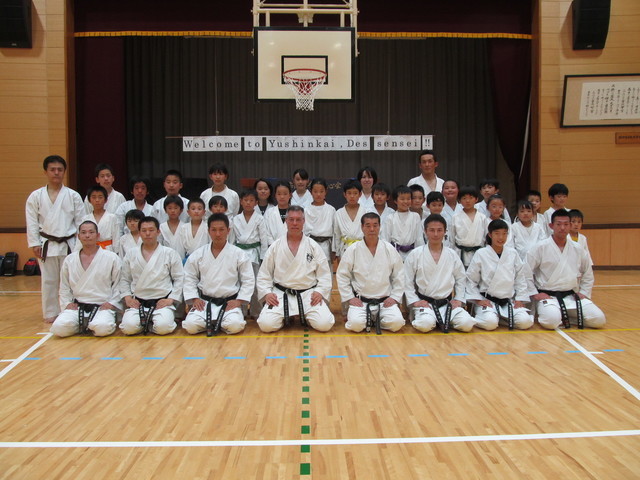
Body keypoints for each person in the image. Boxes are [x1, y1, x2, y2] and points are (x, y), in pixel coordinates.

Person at [25, 155, 85, 322]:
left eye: (60, 169)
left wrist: (80, 245)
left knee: (70, 279)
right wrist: (34, 243)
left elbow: (81, 222)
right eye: (52, 169)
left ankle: (70, 310)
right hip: (47, 244)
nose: (56, 173)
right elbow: (31, 222)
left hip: (69, 243)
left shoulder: (73, 195)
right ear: (45, 172)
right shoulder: (36, 196)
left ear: (64, 172)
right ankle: (50, 312)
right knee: (49, 280)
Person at [256, 206, 335, 333]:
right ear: (286, 221)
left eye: (298, 220)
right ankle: (287, 316)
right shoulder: (275, 246)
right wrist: (267, 293)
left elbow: (324, 274)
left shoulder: (313, 246)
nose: (294, 223)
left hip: (308, 294)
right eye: (291, 219)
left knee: (325, 324)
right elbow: (264, 274)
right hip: (281, 294)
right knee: (266, 325)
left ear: (304, 221)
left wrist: (320, 291)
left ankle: (303, 314)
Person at [527, 209, 606, 329]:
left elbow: (587, 273)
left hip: (571, 296)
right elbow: (525, 272)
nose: (562, 228)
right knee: (551, 322)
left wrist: (584, 292)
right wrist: (535, 293)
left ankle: (565, 316)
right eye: (558, 224)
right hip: (548, 297)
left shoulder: (578, 248)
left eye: (566, 224)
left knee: (599, 319)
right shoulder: (540, 247)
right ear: (551, 226)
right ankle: (557, 315)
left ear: (570, 225)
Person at [182, 214, 255, 335]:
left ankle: (216, 323)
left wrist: (239, 301)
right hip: (205, 303)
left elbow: (248, 279)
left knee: (235, 326)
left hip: (229, 303)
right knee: (190, 326)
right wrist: (195, 298)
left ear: (228, 230)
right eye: (214, 230)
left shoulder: (239, 254)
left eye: (221, 230)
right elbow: (189, 277)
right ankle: (216, 323)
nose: (218, 234)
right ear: (208, 231)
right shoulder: (198, 254)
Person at [404, 214, 475, 333]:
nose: (436, 234)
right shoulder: (415, 254)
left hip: (447, 304)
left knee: (466, 324)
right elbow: (407, 281)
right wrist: (415, 301)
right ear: (425, 231)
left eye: (439, 230)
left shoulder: (452, 255)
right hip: (425, 304)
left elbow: (461, 279)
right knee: (425, 325)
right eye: (432, 230)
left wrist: (458, 299)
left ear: (445, 232)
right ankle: (432, 319)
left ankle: (441, 320)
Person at [336, 213, 405, 334]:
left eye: (375, 225)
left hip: (384, 302)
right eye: (368, 225)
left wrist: (394, 297)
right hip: (361, 302)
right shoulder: (353, 249)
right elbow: (342, 275)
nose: (372, 229)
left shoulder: (389, 249)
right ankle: (370, 319)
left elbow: (399, 274)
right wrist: (350, 298)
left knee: (397, 323)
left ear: (379, 227)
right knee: (356, 325)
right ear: (362, 227)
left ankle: (374, 320)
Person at [51, 221, 122, 337]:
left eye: (91, 232)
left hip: (102, 307)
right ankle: (84, 324)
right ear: (78, 236)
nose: (87, 235)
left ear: (98, 236)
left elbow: (118, 284)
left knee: (102, 328)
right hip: (77, 307)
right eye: (83, 233)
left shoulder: (111, 257)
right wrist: (67, 303)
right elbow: (64, 286)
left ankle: (90, 324)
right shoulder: (70, 260)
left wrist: (112, 303)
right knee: (58, 328)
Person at [120, 216, 184, 335]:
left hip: (162, 302)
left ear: (158, 232)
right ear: (139, 233)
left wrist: (170, 299)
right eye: (144, 230)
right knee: (128, 328)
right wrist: (128, 298)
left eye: (151, 230)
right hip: (138, 302)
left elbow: (179, 278)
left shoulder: (170, 253)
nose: (148, 233)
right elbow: (124, 279)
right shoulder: (131, 254)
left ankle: (150, 323)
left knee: (163, 327)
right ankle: (146, 324)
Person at [465, 219, 534, 331]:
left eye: (504, 234)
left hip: (508, 301)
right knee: (490, 324)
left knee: (525, 322)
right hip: (488, 301)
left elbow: (520, 278)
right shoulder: (481, 253)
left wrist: (520, 298)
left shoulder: (512, 253)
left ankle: (500, 318)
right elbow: (471, 279)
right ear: (490, 235)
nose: (501, 237)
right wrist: (478, 300)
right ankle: (493, 318)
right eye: (497, 234)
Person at [232, 189, 269, 318]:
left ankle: (256, 311)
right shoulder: (235, 219)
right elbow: (232, 239)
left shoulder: (259, 219)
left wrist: (263, 257)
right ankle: (240, 311)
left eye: (251, 200)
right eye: (246, 200)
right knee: (240, 283)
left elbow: (264, 239)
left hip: (254, 254)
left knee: (256, 284)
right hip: (239, 253)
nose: (248, 203)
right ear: (241, 202)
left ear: (256, 203)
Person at [448, 185, 489, 268]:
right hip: (460, 254)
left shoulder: (482, 217)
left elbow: (487, 237)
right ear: (459, 200)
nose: (467, 201)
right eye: (464, 198)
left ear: (476, 199)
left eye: (471, 198)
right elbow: (451, 239)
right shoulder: (455, 217)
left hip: (479, 253)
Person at [380, 185, 424, 260]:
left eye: (408, 199)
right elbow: (385, 239)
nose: (406, 201)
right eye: (402, 199)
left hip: (412, 254)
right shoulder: (390, 218)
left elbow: (419, 238)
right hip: (394, 254)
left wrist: (419, 255)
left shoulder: (415, 216)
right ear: (395, 201)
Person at [304, 178, 336, 273]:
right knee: (311, 273)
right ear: (311, 192)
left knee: (326, 273)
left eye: (321, 191)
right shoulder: (306, 210)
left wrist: (334, 250)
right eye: (315, 191)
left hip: (326, 245)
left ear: (326, 191)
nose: (318, 194)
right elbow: (303, 230)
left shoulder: (331, 210)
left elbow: (335, 231)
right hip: (310, 245)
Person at [80, 185, 120, 254]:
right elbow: (80, 239)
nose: (97, 200)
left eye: (100, 197)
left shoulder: (112, 217)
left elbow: (116, 239)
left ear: (106, 200)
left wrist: (116, 253)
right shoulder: (85, 219)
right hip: (89, 250)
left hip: (108, 250)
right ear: (89, 200)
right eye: (94, 197)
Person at [333, 179, 366, 260]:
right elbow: (336, 234)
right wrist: (337, 253)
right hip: (345, 249)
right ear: (345, 194)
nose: (352, 196)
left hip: (362, 248)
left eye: (355, 193)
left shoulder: (366, 212)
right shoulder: (339, 213)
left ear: (360, 194)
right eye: (349, 193)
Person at [263, 180, 291, 245]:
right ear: (275, 195)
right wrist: (275, 246)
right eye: (279, 194)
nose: (282, 197)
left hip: (292, 247)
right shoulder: (269, 213)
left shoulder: (296, 212)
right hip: (273, 247)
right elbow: (266, 233)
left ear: (290, 195)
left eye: (285, 194)